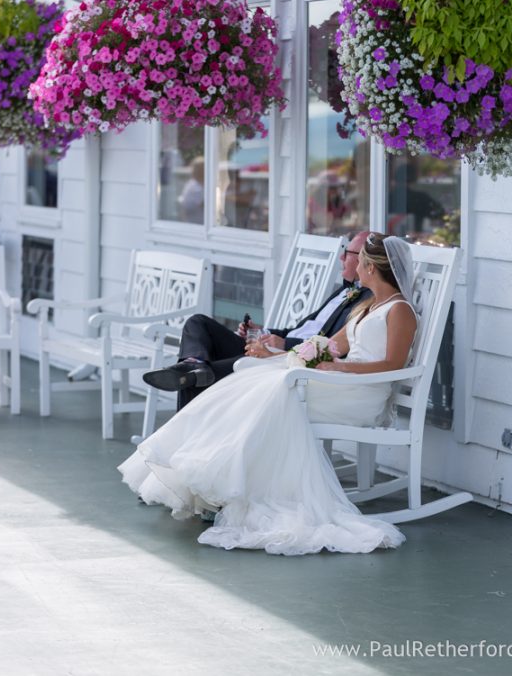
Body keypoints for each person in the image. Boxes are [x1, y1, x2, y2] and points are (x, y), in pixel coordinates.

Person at [118, 234, 417, 555]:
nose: (352, 266)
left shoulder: (399, 310)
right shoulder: (366, 306)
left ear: (371, 267)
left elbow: (393, 365)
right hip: (336, 379)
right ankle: (206, 478)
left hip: (359, 392)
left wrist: (339, 368)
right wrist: (285, 355)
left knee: (270, 387)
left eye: (358, 261)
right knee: (251, 379)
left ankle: (227, 483)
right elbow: (330, 345)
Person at [142, 230, 372, 409]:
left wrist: (284, 345)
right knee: (198, 323)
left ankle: (185, 433)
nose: (341, 257)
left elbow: (333, 347)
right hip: (271, 347)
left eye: (348, 253)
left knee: (196, 378)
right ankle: (193, 362)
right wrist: (264, 332)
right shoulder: (345, 291)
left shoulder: (367, 302)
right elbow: (301, 329)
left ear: (365, 260)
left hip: (286, 360)